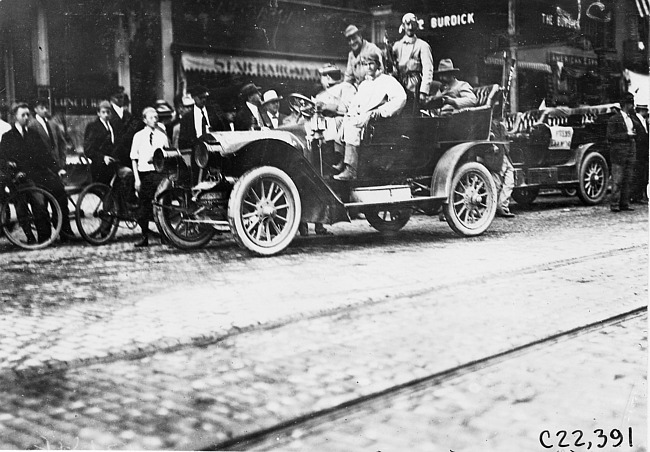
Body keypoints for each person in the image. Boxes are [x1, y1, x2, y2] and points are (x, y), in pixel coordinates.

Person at [0, 102, 75, 242]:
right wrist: (14, 172)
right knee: (38, 202)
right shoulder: (8, 137)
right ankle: (42, 236)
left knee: (59, 189)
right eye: (23, 115)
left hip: (38, 174)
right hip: (20, 177)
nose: (27, 117)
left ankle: (65, 231)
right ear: (15, 117)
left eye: (28, 114)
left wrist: (57, 169)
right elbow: (3, 160)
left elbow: (45, 155)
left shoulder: (33, 134)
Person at [334, 53, 407, 181]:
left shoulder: (387, 80)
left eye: (371, 64)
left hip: (376, 119)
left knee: (353, 125)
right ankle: (342, 159)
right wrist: (351, 113)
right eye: (365, 65)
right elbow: (356, 103)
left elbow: (401, 98)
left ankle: (351, 169)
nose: (368, 67)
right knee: (340, 121)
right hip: (361, 115)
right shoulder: (364, 84)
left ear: (378, 65)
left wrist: (380, 111)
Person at [130, 107, 168, 247]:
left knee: (161, 206)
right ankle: (144, 236)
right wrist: (137, 179)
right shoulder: (138, 136)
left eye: (156, 117)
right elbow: (134, 158)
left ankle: (165, 235)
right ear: (144, 120)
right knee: (144, 206)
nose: (154, 120)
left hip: (158, 174)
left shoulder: (162, 136)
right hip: (144, 174)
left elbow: (167, 155)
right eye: (151, 117)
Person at [391, 13, 434, 115]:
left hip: (415, 86)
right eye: (408, 24)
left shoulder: (423, 46)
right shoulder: (396, 46)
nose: (410, 27)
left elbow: (428, 69)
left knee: (412, 115)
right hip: (399, 84)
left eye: (413, 24)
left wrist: (423, 91)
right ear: (403, 26)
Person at [607, 93, 639, 212]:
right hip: (619, 152)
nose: (633, 106)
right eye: (631, 104)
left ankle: (624, 203)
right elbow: (610, 136)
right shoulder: (614, 119)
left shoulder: (631, 119)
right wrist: (627, 135)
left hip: (630, 150)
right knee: (618, 179)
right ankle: (615, 204)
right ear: (627, 104)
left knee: (628, 178)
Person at [178, 85, 228, 150]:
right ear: (193, 97)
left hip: (214, 149)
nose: (203, 100)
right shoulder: (187, 118)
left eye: (205, 97)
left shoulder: (213, 112)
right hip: (196, 151)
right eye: (200, 98)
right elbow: (183, 142)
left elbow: (222, 131)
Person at [84, 100, 117, 185]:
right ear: (98, 113)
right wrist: (103, 157)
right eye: (103, 112)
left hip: (112, 164)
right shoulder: (93, 127)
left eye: (108, 112)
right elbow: (88, 150)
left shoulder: (112, 126)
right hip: (99, 166)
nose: (106, 115)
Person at [29, 98, 68, 169]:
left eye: (46, 108)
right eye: (42, 108)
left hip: (57, 164)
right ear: (35, 109)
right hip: (42, 166)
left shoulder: (53, 124)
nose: (45, 110)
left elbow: (62, 143)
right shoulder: (32, 125)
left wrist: (62, 161)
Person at [631, 104, 649, 203]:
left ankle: (641, 195)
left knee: (643, 174)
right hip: (639, 152)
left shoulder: (643, 121)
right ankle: (637, 196)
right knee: (639, 174)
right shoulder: (635, 121)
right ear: (643, 110)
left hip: (643, 152)